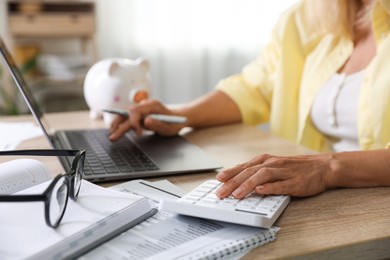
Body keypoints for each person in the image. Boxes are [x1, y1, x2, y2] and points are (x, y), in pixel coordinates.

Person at [109, 0, 390, 198]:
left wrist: (328, 167)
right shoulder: (305, 17)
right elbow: (256, 87)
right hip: (322, 196)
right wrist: (178, 115)